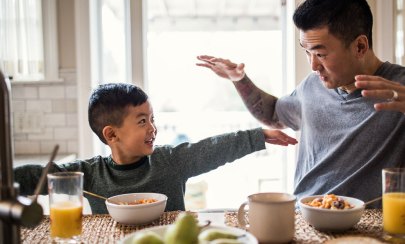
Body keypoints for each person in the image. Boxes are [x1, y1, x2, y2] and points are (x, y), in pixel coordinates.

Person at [196, 0, 405, 207]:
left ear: (360, 46)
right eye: (307, 52)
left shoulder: (400, 88)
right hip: (303, 219)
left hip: (368, 229)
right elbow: (274, 114)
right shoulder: (312, 86)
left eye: (320, 54)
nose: (313, 65)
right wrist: (239, 80)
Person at [14, 83, 297, 214]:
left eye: (152, 119)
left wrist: (256, 136)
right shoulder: (90, 175)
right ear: (111, 134)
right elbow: (41, 175)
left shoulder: (169, 161)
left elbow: (211, 148)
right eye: (141, 121)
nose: (152, 128)